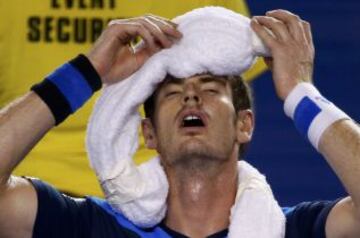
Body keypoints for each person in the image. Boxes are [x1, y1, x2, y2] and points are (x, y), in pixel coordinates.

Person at [0, 9, 359, 238]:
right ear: (149, 133)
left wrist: (300, 92)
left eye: (209, 88)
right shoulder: (92, 226)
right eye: (172, 93)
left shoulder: (292, 230)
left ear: (244, 125)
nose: (191, 96)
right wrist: (88, 72)